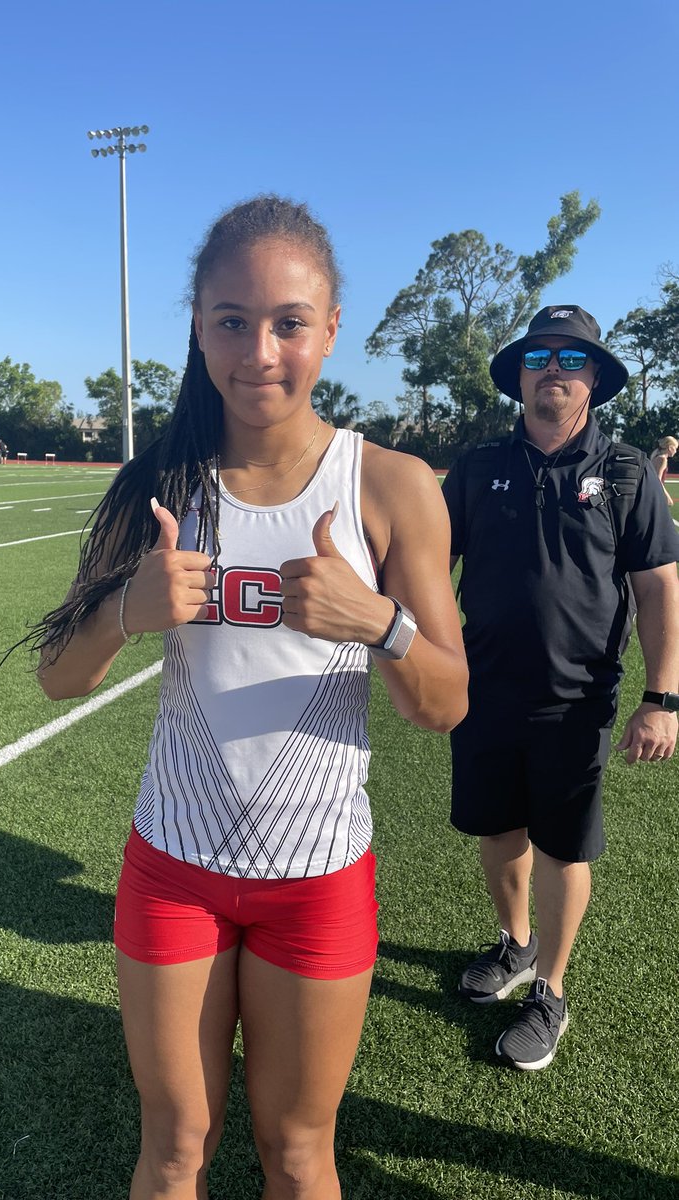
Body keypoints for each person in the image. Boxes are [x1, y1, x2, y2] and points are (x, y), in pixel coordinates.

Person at [34, 195, 468, 1199]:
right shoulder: (158, 483)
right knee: (175, 1147)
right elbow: (58, 677)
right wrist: (127, 611)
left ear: (331, 329)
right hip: (173, 870)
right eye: (232, 320)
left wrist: (379, 623)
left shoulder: (391, 486)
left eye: (289, 323)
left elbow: (443, 703)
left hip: (318, 879)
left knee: (300, 1153)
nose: (260, 352)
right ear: (198, 326)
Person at [442, 305, 679, 1072]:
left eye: (571, 358)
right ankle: (514, 946)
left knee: (562, 845)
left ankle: (550, 989)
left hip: (576, 700)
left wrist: (662, 698)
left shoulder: (627, 471)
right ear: (518, 375)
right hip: (482, 689)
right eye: (539, 356)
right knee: (498, 831)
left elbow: (659, 587)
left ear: (594, 379)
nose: (554, 368)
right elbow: (427, 564)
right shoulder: (477, 467)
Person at [650, 434, 677, 505]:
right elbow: (657, 480)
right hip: (655, 493)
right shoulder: (662, 459)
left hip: (652, 491)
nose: (675, 451)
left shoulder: (657, 457)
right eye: (675, 448)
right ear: (670, 448)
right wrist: (667, 497)